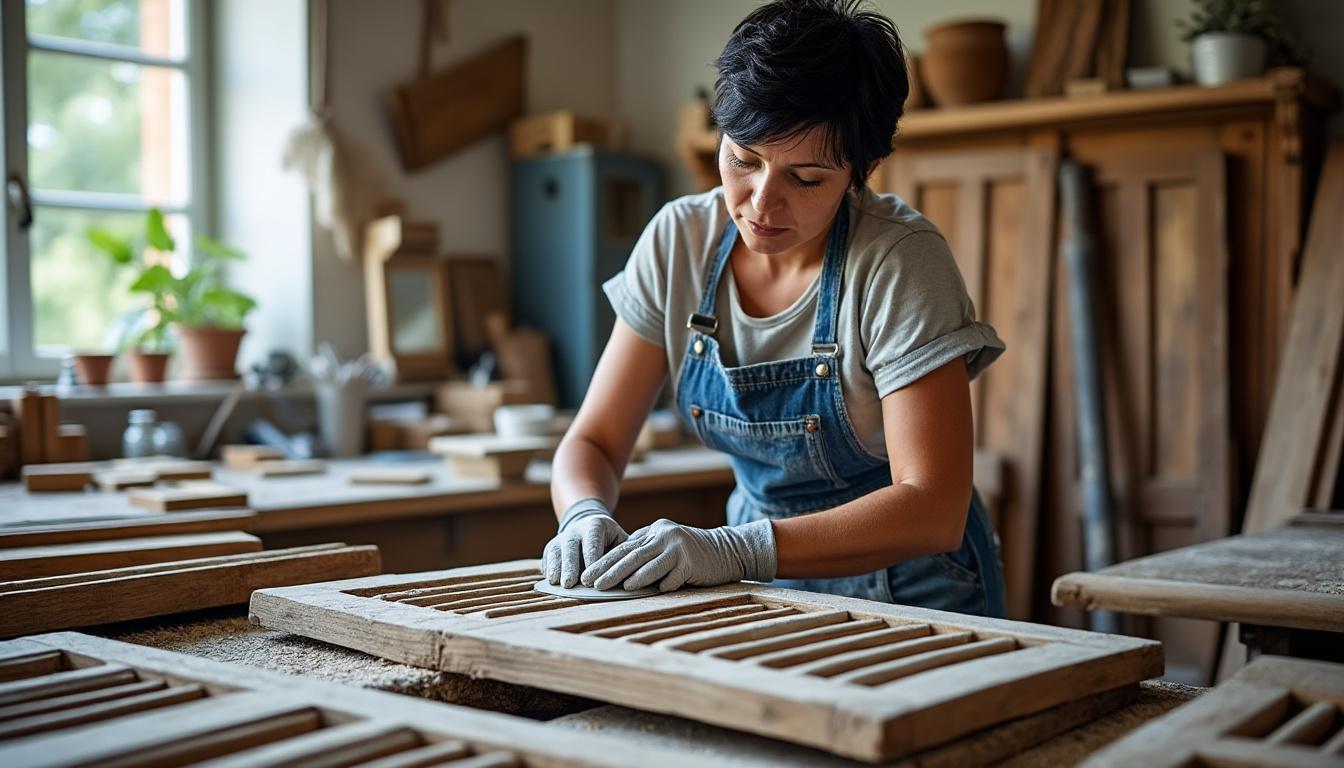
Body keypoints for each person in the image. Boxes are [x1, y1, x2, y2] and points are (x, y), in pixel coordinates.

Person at [543, 0, 1006, 616]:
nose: (763, 203)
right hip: (757, 585)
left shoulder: (899, 261)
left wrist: (734, 550)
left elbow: (934, 507)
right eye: (743, 160)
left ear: (862, 170)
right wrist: (583, 512)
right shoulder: (680, 240)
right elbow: (595, 442)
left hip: (912, 589)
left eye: (806, 179)